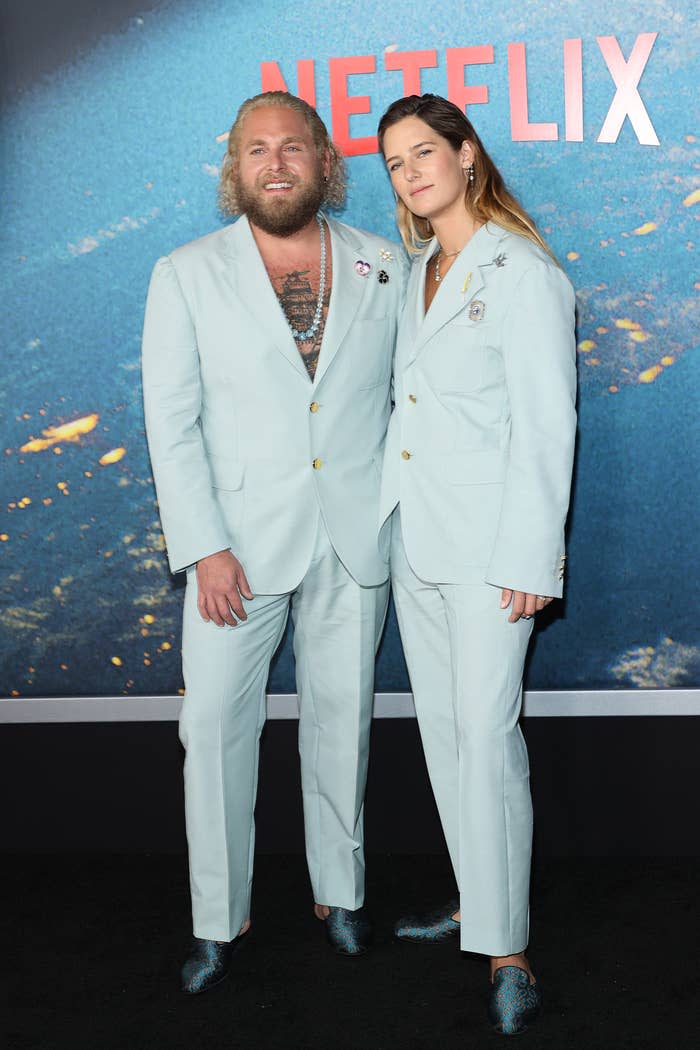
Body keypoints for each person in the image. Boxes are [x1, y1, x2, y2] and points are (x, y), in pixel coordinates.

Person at [142, 91, 406, 994]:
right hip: (233, 553)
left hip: (353, 534)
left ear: (325, 161)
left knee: (345, 723)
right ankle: (219, 920)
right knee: (213, 727)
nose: (277, 162)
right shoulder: (184, 273)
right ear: (236, 168)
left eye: (293, 146)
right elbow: (170, 426)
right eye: (258, 149)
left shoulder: (385, 263)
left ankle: (342, 895)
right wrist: (203, 547)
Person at [377, 94, 577, 1036]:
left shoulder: (523, 270)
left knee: (488, 743)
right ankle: (477, 901)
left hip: (495, 554)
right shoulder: (419, 267)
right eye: (393, 164)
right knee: (448, 741)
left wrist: (534, 556)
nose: (410, 174)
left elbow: (546, 425)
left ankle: (508, 952)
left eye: (423, 153)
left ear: (466, 156)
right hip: (418, 540)